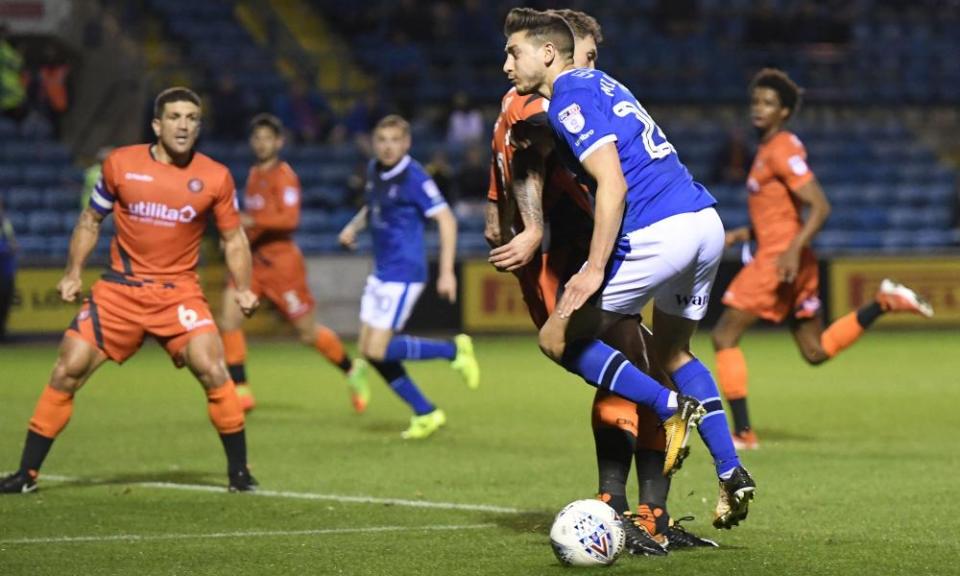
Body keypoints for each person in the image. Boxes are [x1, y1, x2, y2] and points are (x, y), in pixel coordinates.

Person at [502, 8, 754, 530]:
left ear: (548, 53)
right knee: (673, 350)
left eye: (514, 52)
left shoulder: (570, 97)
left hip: (658, 230)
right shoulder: (603, 82)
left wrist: (594, 269)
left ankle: (667, 406)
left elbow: (612, 185)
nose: (506, 64)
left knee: (557, 338)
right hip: (703, 221)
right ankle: (731, 471)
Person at [0, 87, 260, 494]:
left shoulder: (215, 176)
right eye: (175, 117)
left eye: (192, 118)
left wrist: (243, 288)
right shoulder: (121, 164)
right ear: (157, 125)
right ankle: (26, 475)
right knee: (68, 368)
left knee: (213, 368)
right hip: (120, 291)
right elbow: (90, 220)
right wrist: (72, 273)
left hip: (178, 293)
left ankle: (240, 473)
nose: (183, 125)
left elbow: (234, 239)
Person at [712, 68, 934, 450]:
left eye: (768, 103)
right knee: (814, 352)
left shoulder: (782, 148)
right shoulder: (766, 151)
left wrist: (792, 251)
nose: (758, 109)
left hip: (779, 260)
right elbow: (779, 213)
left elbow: (820, 206)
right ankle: (883, 302)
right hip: (788, 255)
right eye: (755, 102)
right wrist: (743, 233)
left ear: (784, 112)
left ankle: (744, 433)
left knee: (723, 335)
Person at [338, 115, 479, 440]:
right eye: (382, 140)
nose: (387, 147)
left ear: (406, 144)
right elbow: (372, 207)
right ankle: (426, 411)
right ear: (375, 143)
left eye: (394, 140)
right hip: (382, 271)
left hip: (404, 272)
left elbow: (447, 221)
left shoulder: (414, 176)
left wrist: (446, 272)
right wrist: (352, 227)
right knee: (369, 350)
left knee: (376, 349)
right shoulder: (375, 170)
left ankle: (453, 352)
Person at [219, 113, 370, 413]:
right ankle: (241, 391)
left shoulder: (284, 175)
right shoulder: (253, 174)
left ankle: (352, 369)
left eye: (267, 138)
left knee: (307, 333)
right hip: (252, 262)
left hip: (282, 264)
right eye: (257, 138)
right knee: (229, 319)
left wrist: (250, 220)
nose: (261, 144)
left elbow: (289, 219)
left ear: (279, 142)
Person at [0, 197, 16, 341]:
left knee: (5, 301)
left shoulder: (5, 222)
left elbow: (12, 243)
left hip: (6, 270)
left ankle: (2, 332)